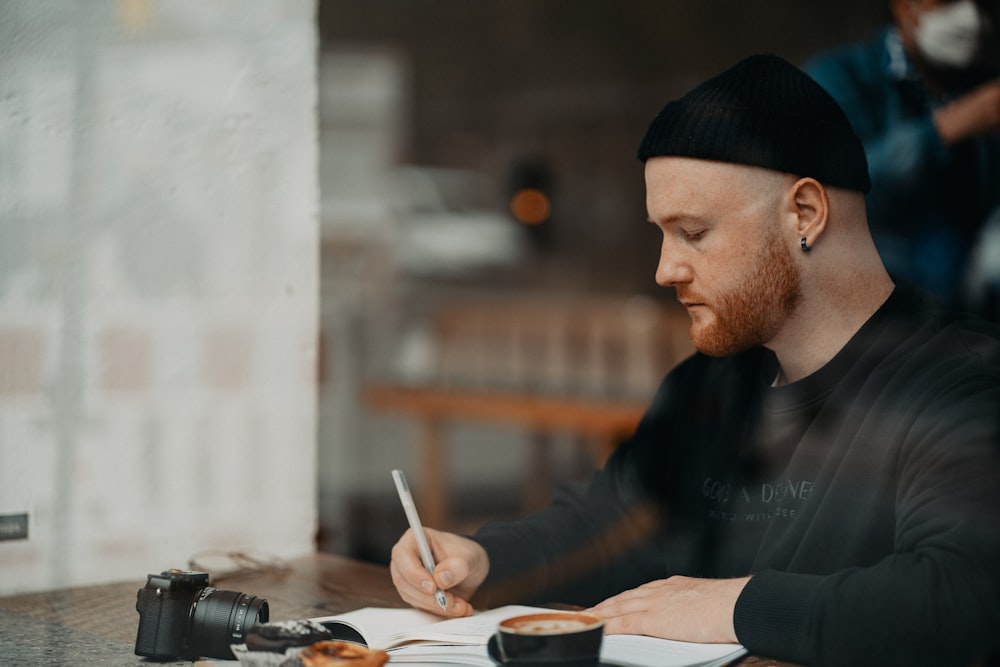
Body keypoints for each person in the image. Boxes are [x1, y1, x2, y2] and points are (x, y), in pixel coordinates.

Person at [389, 54, 1000, 667]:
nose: (664, 269)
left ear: (805, 214)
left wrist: (731, 607)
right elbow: (610, 519)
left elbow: (966, 599)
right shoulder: (710, 386)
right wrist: (480, 558)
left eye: (694, 232)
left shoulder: (964, 383)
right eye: (661, 232)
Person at [804, 0, 1000, 316]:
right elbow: (834, 193)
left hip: (967, 291)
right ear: (903, 6)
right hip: (881, 293)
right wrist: (947, 127)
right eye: (947, 1)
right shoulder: (840, 77)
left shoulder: (982, 85)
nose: (971, 17)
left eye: (980, 3)